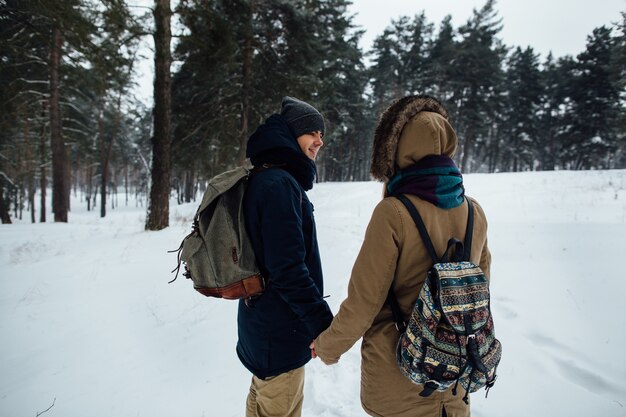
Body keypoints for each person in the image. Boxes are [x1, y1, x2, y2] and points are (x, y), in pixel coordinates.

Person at [311, 95, 492, 417]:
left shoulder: (393, 212)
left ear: (397, 149)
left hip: (401, 371)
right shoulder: (474, 211)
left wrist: (328, 346)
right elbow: (478, 292)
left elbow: (364, 301)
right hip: (454, 371)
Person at [238, 96, 334, 417]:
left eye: (321, 133)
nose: (319, 140)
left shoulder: (265, 177)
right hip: (280, 331)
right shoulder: (279, 184)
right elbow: (288, 269)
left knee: (261, 400)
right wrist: (322, 324)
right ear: (292, 134)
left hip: (262, 324)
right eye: (312, 132)